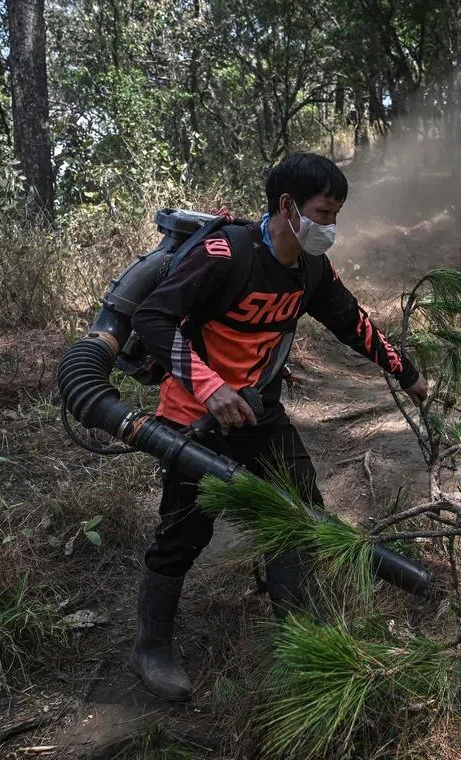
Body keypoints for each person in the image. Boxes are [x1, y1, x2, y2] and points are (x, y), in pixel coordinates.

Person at [128, 152, 429, 702]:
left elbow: (350, 320)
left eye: (337, 214)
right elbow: (152, 317)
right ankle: (152, 647)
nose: (330, 226)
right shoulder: (225, 254)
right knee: (185, 531)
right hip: (193, 413)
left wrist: (405, 372)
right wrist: (209, 386)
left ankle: (299, 635)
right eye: (323, 211)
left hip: (259, 409)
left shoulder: (311, 268)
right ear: (288, 206)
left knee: (300, 510)